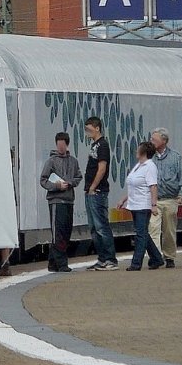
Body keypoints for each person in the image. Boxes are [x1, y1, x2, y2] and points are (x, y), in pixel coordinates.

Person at [116, 142, 165, 271]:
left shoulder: (150, 166)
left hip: (143, 204)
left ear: (143, 152)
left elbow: (153, 186)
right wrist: (124, 199)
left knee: (140, 234)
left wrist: (153, 205)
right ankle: (157, 258)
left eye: (138, 149)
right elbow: (133, 185)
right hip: (134, 204)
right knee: (143, 233)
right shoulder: (138, 166)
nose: (136, 151)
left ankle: (136, 263)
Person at [40, 132, 82, 272]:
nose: (61, 148)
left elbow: (78, 176)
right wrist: (57, 186)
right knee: (57, 232)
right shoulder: (51, 161)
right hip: (56, 201)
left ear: (67, 144)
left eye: (63, 145)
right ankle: (62, 264)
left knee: (66, 231)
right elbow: (43, 180)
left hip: (69, 200)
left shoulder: (73, 161)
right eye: (58, 145)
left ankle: (52, 263)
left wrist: (69, 183)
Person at [83, 116, 118, 271]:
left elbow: (102, 167)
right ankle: (102, 258)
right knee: (93, 227)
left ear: (97, 128)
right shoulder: (94, 145)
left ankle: (110, 259)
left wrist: (93, 186)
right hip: (91, 191)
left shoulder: (102, 145)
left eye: (89, 129)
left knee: (101, 226)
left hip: (98, 191)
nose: (87, 132)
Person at [148, 127, 182, 268]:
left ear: (164, 140)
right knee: (153, 228)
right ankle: (156, 257)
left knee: (169, 230)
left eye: (154, 139)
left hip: (170, 198)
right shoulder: (149, 156)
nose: (151, 141)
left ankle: (169, 256)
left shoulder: (176, 157)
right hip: (154, 200)